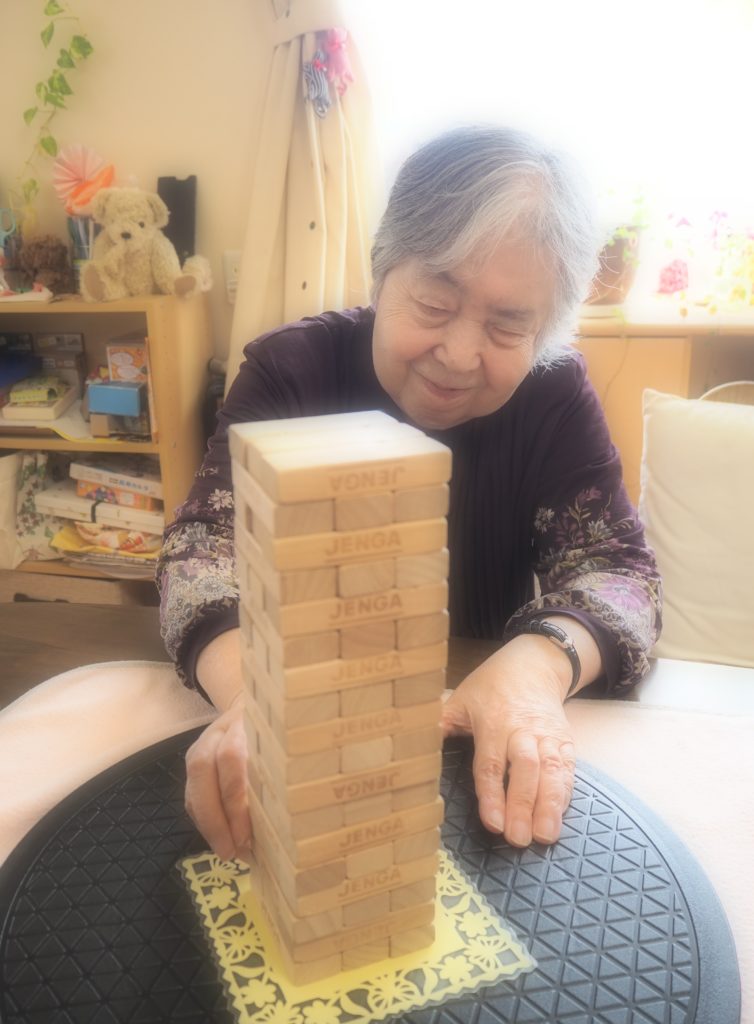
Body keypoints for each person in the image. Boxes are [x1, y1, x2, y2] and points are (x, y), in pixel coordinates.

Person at [156, 125, 662, 865]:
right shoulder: (293, 372)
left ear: (545, 330)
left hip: (467, 751)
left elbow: (618, 570)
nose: (458, 354)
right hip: (309, 745)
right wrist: (257, 695)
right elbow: (201, 552)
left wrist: (534, 668)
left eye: (508, 325)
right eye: (433, 303)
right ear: (381, 272)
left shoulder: (553, 395)